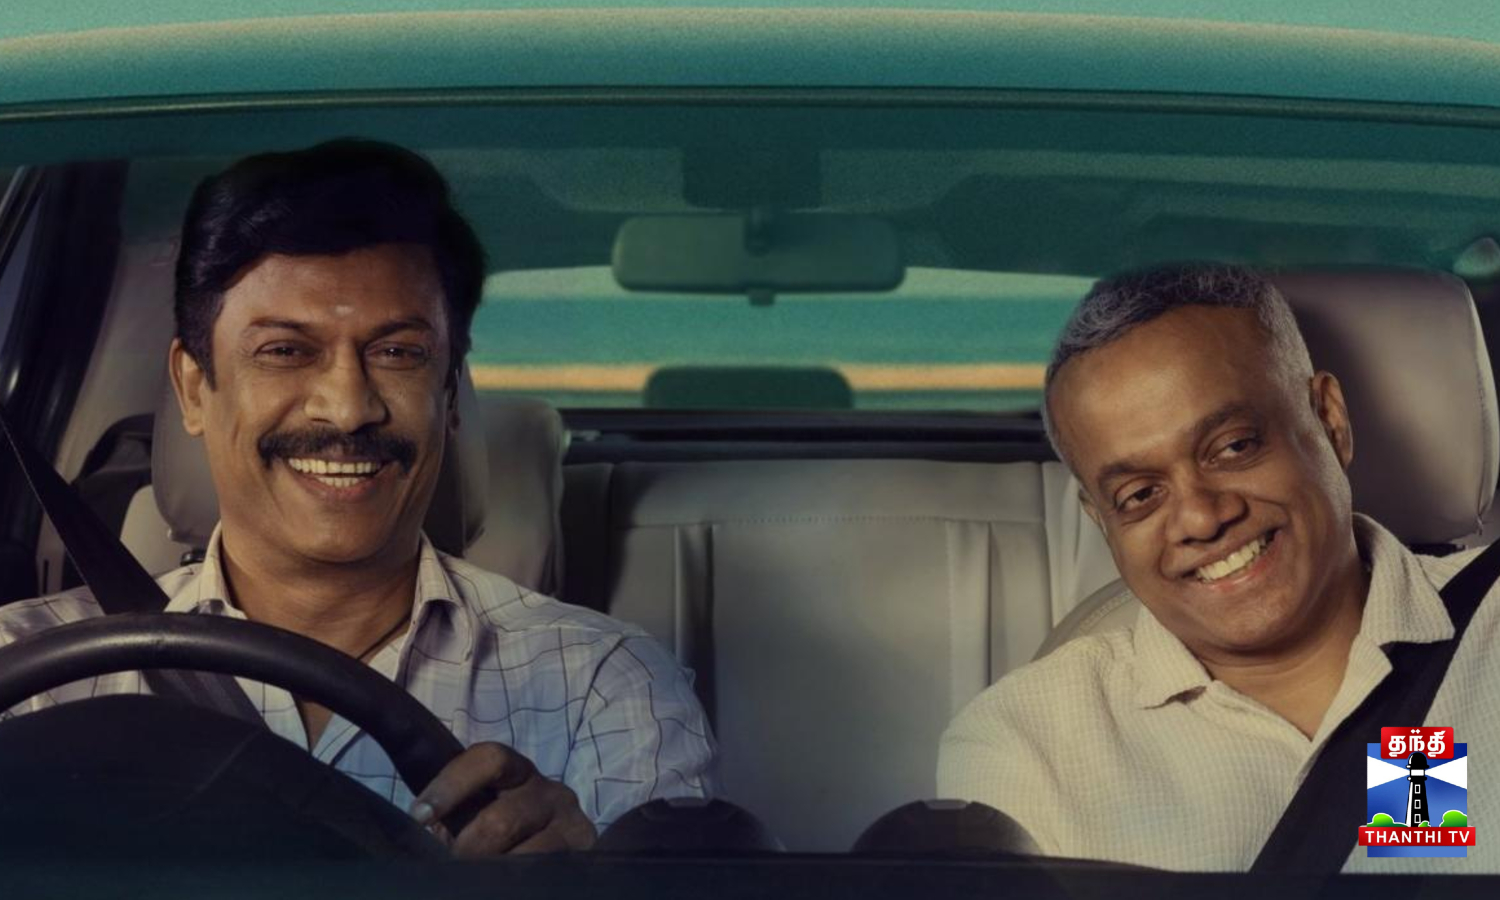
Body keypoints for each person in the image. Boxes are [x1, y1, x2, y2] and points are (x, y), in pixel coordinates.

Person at [0, 139, 715, 855]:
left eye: (397, 352)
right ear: (193, 387)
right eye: (285, 351)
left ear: (449, 394)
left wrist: (584, 884)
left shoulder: (599, 687)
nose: (347, 410)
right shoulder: (32, 672)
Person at [937, 264, 1499, 871]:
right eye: (1139, 494)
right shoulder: (1027, 743)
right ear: (1102, 521)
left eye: (1233, 447)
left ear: (1329, 420)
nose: (1202, 518)